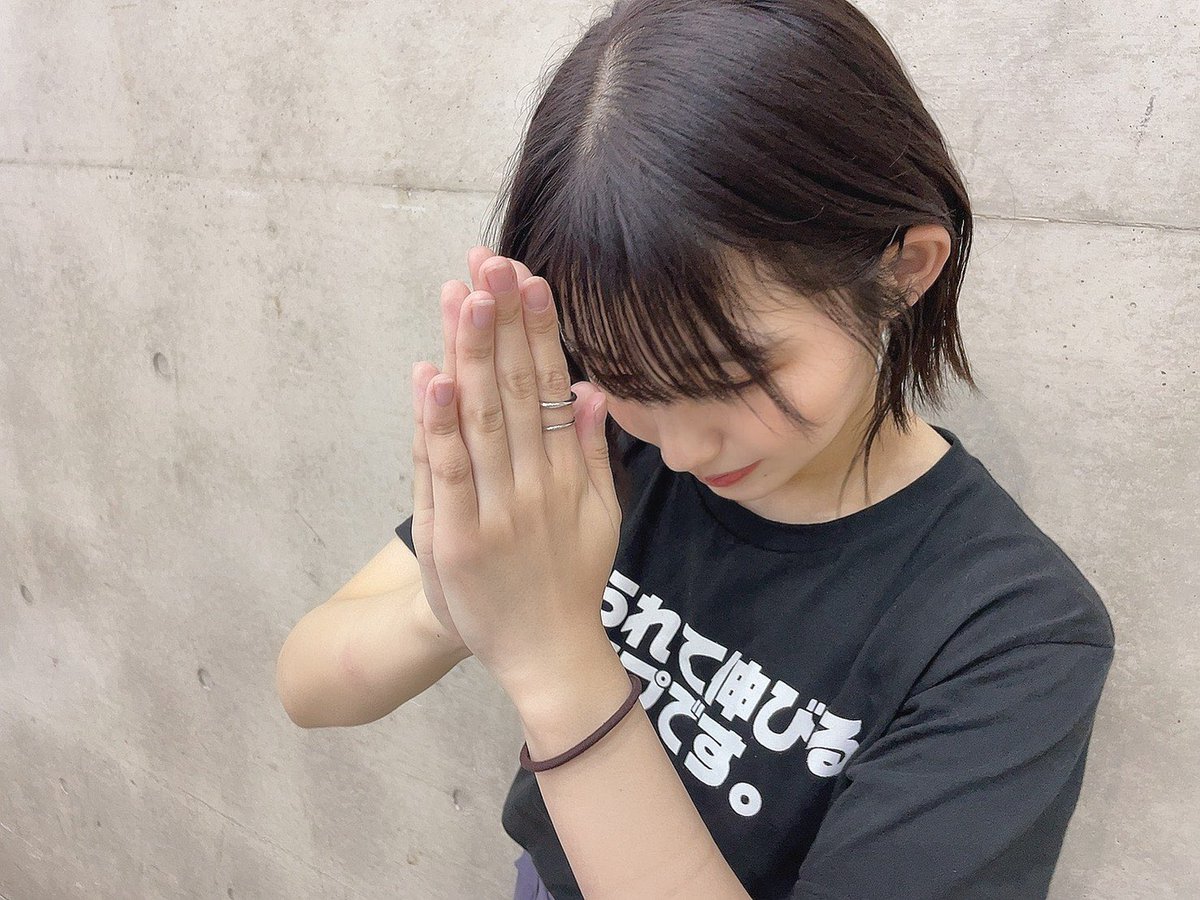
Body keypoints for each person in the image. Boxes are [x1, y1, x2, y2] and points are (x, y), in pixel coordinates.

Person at [388, 0, 1115, 897]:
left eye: (732, 375)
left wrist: (549, 653)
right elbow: (312, 679)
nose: (682, 448)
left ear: (904, 269)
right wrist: (477, 594)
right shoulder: (601, 445)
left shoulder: (1011, 632)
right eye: (624, 373)